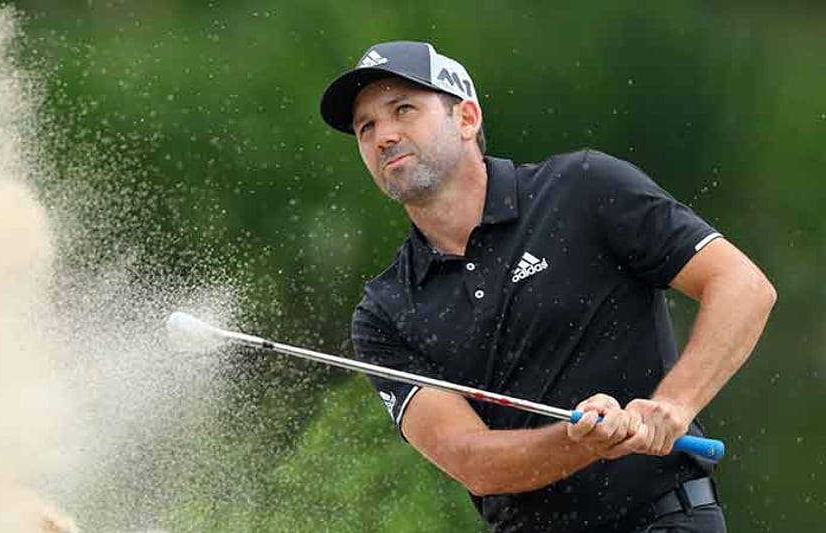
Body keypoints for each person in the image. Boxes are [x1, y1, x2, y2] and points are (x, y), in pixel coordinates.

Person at [320, 41, 776, 533]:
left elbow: (742, 285)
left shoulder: (583, 188)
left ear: (467, 119)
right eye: (366, 128)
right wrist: (579, 440)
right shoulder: (386, 310)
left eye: (403, 109)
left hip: (664, 518)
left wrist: (675, 403)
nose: (383, 136)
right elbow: (473, 461)